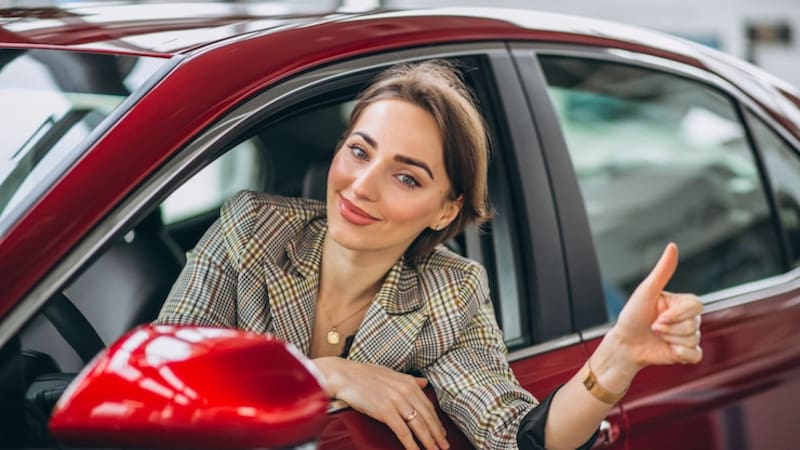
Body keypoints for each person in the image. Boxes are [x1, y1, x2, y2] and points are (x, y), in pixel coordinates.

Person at [156, 60, 703, 450]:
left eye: (406, 176)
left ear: (445, 210)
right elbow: (164, 381)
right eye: (358, 151)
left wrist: (616, 361)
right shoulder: (252, 227)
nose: (361, 187)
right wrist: (326, 374)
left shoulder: (450, 293)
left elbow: (513, 437)